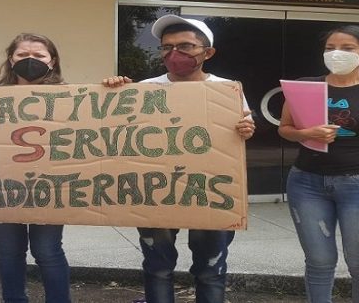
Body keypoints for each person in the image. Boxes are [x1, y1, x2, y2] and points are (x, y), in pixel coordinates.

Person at [103, 15, 255, 303]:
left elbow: (239, 132)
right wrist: (112, 92)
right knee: (157, 267)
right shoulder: (144, 89)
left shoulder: (228, 90)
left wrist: (245, 130)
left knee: (211, 268)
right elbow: (118, 131)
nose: (175, 53)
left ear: (207, 52)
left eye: (186, 46)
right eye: (167, 47)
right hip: (156, 190)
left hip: (209, 190)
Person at [278, 25, 359, 303]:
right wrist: (306, 134)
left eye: (347, 48)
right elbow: (285, 128)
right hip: (307, 182)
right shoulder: (304, 86)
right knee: (318, 260)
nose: (336, 53)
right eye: (330, 48)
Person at [0, 33, 71, 303]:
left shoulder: (71, 98)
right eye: (23, 55)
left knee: (47, 250)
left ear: (52, 60)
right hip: (4, 187)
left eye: (38, 55)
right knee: (8, 250)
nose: (30, 60)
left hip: (50, 185)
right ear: (10, 59)